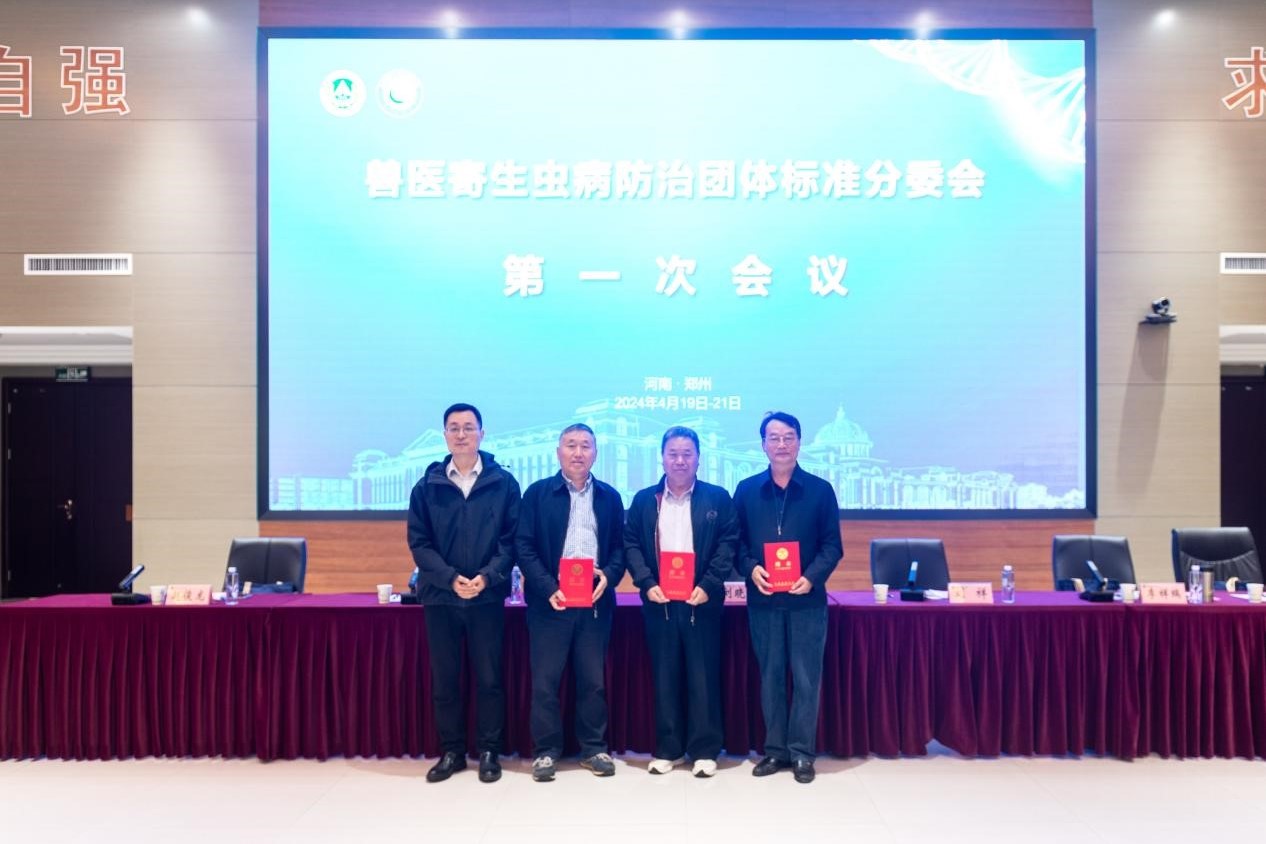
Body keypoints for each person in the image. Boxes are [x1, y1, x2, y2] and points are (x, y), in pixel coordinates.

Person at [407, 403, 521, 784]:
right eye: (454, 428)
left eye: (468, 427)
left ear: (482, 434)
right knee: (446, 680)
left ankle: (489, 751)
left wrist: (487, 577)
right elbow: (419, 543)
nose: (461, 434)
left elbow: (511, 540)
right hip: (441, 598)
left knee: (489, 679)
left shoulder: (504, 483)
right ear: (444, 435)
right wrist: (449, 578)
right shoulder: (427, 486)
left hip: (487, 598)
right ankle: (452, 752)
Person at [733, 411, 842, 784]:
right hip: (763, 600)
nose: (781, 444)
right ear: (763, 444)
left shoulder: (820, 490)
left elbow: (832, 546)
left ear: (799, 441)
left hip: (806, 602)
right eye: (774, 438)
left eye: (788, 437)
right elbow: (736, 544)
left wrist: (811, 578)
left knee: (807, 678)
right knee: (771, 677)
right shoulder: (747, 490)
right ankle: (775, 751)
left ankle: (801, 753)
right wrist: (751, 569)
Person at [624, 425, 739, 777]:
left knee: (703, 676)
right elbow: (631, 544)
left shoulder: (717, 498)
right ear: (662, 458)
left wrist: (708, 584)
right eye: (673, 454)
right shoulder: (645, 500)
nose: (680, 460)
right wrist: (646, 583)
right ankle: (669, 748)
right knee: (665, 676)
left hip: (701, 601)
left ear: (698, 458)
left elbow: (728, 544)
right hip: (658, 601)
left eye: (687, 454)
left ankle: (705, 749)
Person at [516, 423, 626, 782]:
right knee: (545, 683)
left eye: (585, 446)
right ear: (558, 452)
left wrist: (609, 576)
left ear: (595, 452)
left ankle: (593, 748)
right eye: (571, 445)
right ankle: (546, 752)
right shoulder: (537, 494)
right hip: (550, 604)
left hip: (594, 603)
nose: (578, 452)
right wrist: (548, 587)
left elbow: (620, 548)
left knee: (593, 681)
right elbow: (524, 546)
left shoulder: (610, 497)